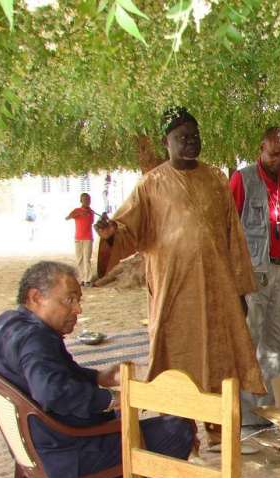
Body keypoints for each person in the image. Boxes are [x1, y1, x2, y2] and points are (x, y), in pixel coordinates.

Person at [95, 107, 264, 446]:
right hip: (175, 293)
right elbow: (128, 231)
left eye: (195, 136)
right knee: (177, 362)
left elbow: (234, 236)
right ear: (166, 142)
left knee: (221, 360)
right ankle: (182, 434)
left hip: (218, 292)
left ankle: (220, 433)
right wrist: (111, 232)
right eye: (182, 137)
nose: (190, 142)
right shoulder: (151, 185)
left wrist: (240, 290)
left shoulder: (216, 178)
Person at [0, 262, 194, 478]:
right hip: (67, 453)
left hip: (36, 448)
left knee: (119, 419)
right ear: (35, 297)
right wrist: (110, 398)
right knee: (178, 428)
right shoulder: (36, 340)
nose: (77, 309)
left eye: (78, 299)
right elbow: (51, 392)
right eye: (69, 300)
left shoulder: (8, 324)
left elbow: (60, 374)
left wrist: (99, 378)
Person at [229, 127, 280, 426]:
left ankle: (267, 409)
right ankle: (246, 415)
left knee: (278, 342)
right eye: (274, 153)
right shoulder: (243, 178)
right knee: (250, 341)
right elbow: (229, 229)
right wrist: (235, 281)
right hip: (253, 272)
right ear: (260, 148)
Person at [65, 193, 96, 286]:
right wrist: (77, 213)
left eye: (88, 199)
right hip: (78, 237)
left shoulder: (91, 212)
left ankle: (88, 279)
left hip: (88, 238)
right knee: (80, 259)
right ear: (81, 201)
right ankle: (82, 278)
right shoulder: (77, 210)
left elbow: (91, 221)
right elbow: (67, 218)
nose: (87, 201)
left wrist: (87, 212)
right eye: (85, 199)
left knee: (87, 259)